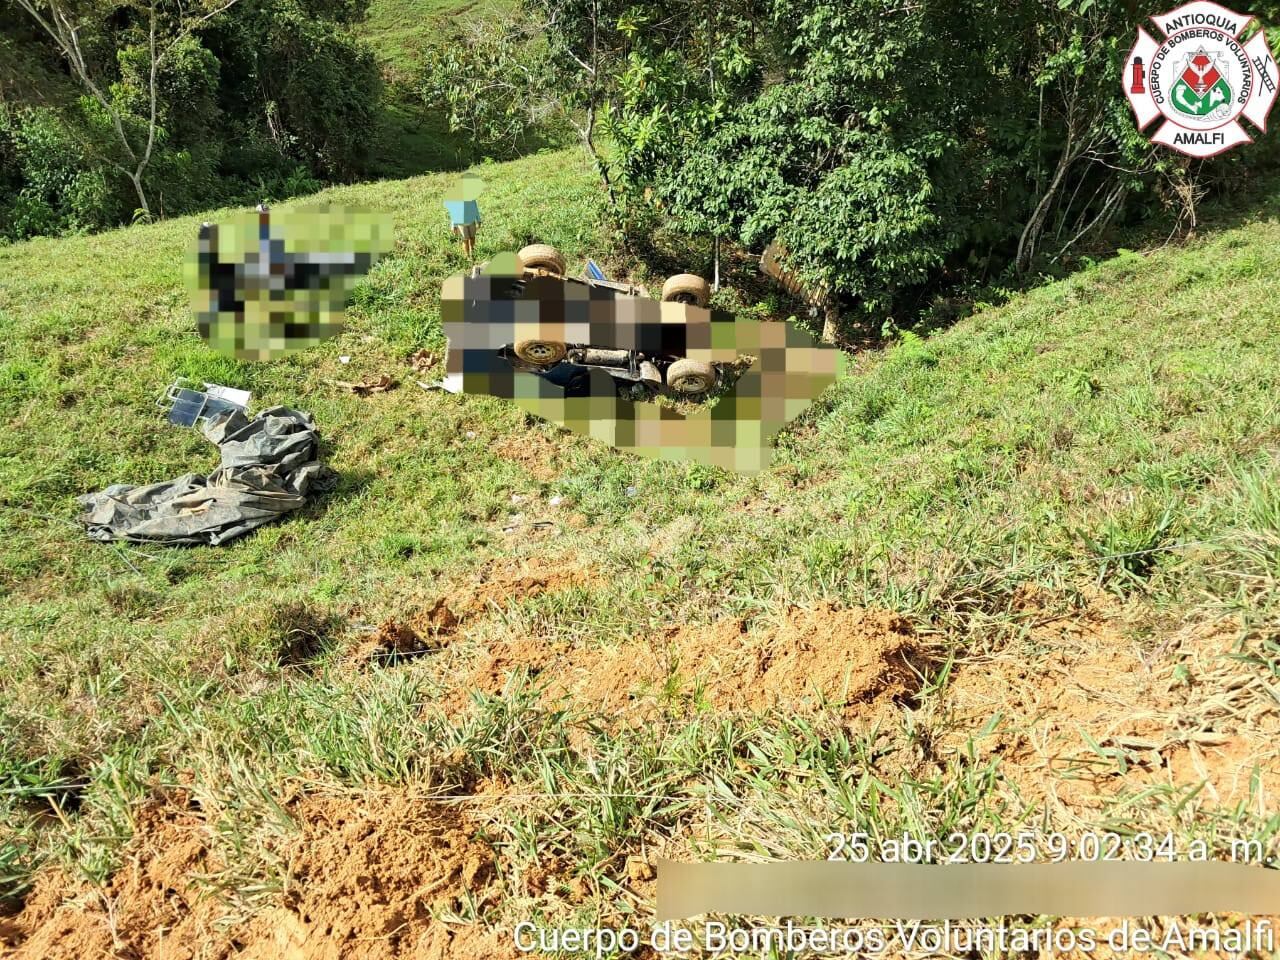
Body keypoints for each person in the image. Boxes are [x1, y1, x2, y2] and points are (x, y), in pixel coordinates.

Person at [443, 174, 484, 259]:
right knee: (465, 240)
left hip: (471, 221)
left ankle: (473, 251)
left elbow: (475, 208)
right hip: (461, 223)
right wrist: (453, 225)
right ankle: (467, 256)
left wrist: (478, 220)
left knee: (472, 237)